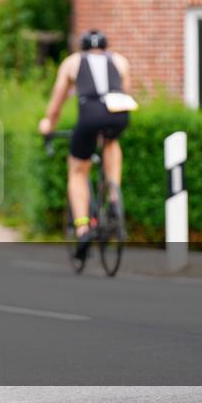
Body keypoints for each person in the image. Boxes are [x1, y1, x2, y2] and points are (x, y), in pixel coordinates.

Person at [39, 29, 131, 259]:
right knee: (111, 142)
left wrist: (49, 123)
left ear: (82, 46)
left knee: (78, 170)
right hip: (119, 112)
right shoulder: (120, 60)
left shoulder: (72, 62)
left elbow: (57, 100)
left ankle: (82, 228)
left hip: (90, 113)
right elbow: (126, 92)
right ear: (105, 46)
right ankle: (113, 196)